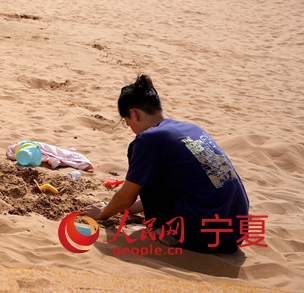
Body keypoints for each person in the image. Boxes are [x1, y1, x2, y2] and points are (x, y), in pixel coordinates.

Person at [82, 75, 249, 253]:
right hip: (234, 234)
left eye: (127, 122)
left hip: (203, 235)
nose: (130, 128)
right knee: (159, 167)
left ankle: (164, 230)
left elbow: (127, 196)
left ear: (133, 113)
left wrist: (102, 213)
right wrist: (129, 209)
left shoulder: (149, 138)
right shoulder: (190, 129)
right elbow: (181, 188)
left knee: (137, 150)